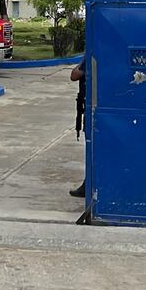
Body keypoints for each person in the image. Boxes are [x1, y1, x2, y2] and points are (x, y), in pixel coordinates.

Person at [69, 60, 87, 198]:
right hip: (88, 105)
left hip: (91, 107)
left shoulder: (91, 54)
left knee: (92, 148)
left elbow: (74, 75)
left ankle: (88, 185)